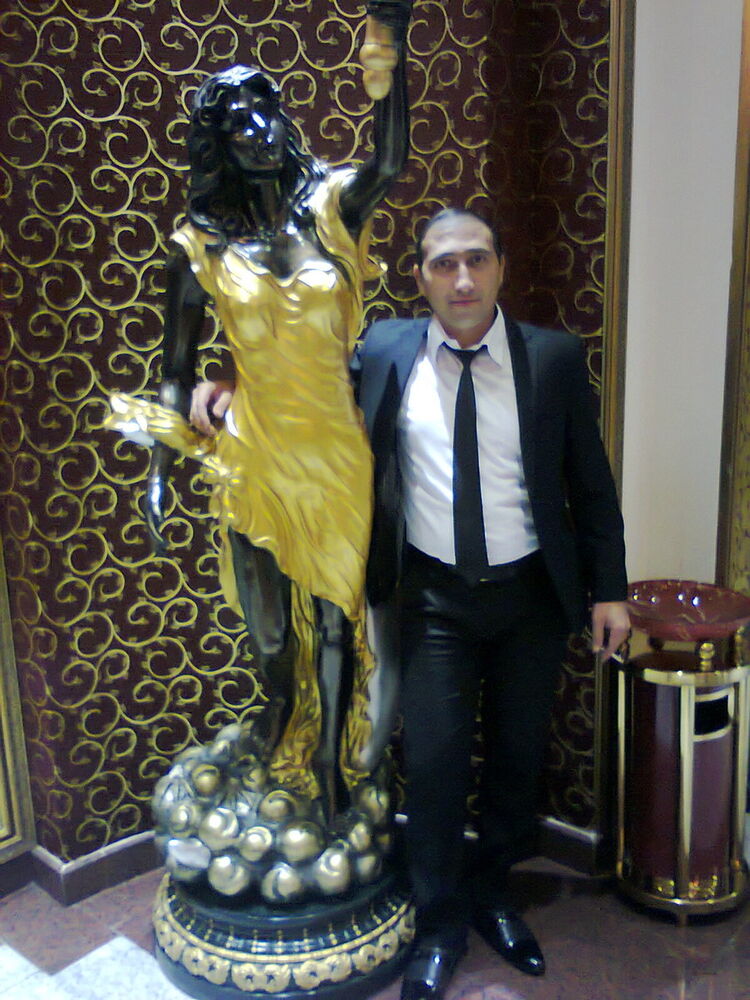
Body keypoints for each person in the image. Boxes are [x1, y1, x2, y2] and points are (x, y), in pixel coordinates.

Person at [191, 207, 628, 983]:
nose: (462, 279)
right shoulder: (387, 348)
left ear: (501, 267)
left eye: (477, 260)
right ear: (421, 277)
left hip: (531, 598)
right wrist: (225, 386)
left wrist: (610, 591)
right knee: (434, 765)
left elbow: (589, 482)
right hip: (432, 602)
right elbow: (302, 385)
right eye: (443, 264)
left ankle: (494, 895)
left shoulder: (554, 358)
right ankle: (439, 927)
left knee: (517, 759)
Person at [134, 0, 412, 831]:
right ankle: (279, 710)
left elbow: (389, 160)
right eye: (236, 124)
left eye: (265, 111)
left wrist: (389, 45)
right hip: (253, 451)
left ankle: (327, 762)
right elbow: (175, 371)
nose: (257, 130)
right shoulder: (199, 250)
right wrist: (158, 469)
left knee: (333, 617)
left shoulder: (331, 207)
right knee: (267, 635)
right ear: (217, 148)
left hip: (335, 453)